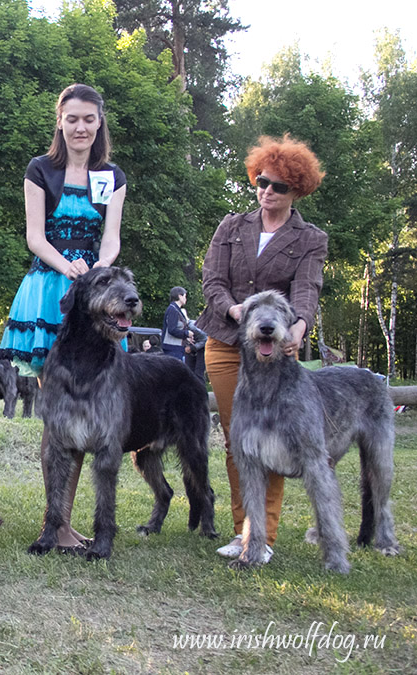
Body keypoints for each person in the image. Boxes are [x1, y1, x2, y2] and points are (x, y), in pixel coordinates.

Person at [0, 84, 126, 552]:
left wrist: (99, 269)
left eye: (88, 119)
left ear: (99, 123)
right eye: (72, 118)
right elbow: (35, 236)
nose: (80, 127)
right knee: (56, 417)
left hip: (94, 298)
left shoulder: (112, 175)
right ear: (60, 121)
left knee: (84, 411)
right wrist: (67, 265)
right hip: (49, 290)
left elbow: (111, 238)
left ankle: (64, 524)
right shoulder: (41, 170)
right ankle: (56, 525)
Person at [198, 134, 327, 564]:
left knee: (270, 441)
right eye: (261, 182)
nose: (267, 191)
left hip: (275, 351)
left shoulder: (310, 238)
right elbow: (212, 280)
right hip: (226, 341)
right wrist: (236, 310)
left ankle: (261, 536)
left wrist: (299, 327)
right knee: (241, 441)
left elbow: (307, 289)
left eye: (279, 186)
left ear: (297, 189)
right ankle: (242, 531)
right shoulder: (231, 226)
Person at [161, 286, 194, 361]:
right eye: (185, 296)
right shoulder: (173, 310)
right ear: (179, 296)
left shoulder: (176, 309)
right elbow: (172, 330)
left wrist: (186, 338)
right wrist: (187, 333)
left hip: (177, 348)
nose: (186, 299)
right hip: (172, 349)